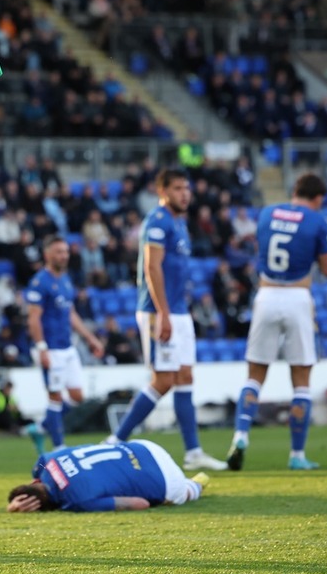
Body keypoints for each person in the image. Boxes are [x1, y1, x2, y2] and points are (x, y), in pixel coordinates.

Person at [105, 169, 227, 471]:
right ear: (162, 192)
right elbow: (152, 268)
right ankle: (116, 440)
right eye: (177, 188)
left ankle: (193, 452)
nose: (184, 193)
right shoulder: (157, 222)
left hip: (179, 311)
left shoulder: (179, 223)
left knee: (185, 377)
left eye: (187, 188)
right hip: (159, 311)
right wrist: (163, 313)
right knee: (163, 380)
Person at [226, 173, 327, 472]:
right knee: (301, 380)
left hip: (266, 296)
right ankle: (297, 455)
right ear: (317, 199)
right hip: (297, 297)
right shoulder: (316, 221)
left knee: (254, 376)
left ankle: (240, 436)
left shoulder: (266, 213)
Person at [26, 235, 104, 450]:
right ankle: (59, 448)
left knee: (78, 396)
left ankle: (43, 425)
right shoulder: (40, 282)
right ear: (47, 254)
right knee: (55, 397)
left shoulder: (65, 280)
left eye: (66, 252)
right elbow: (33, 318)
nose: (64, 256)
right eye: (59, 252)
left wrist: (90, 339)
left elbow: (70, 314)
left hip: (68, 347)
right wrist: (41, 348)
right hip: (50, 348)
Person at [6, 440, 210, 513]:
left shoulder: (78, 500)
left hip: (166, 478)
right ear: (34, 481)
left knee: (177, 495)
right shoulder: (46, 460)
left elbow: (141, 503)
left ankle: (197, 483)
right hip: (144, 446)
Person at [0, 380, 45, 454]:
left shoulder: (12, 398)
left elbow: (18, 412)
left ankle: (30, 431)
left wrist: (16, 410)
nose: (9, 391)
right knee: (6, 414)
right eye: (8, 389)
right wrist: (7, 408)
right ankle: (15, 428)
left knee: (29, 420)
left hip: (10, 419)